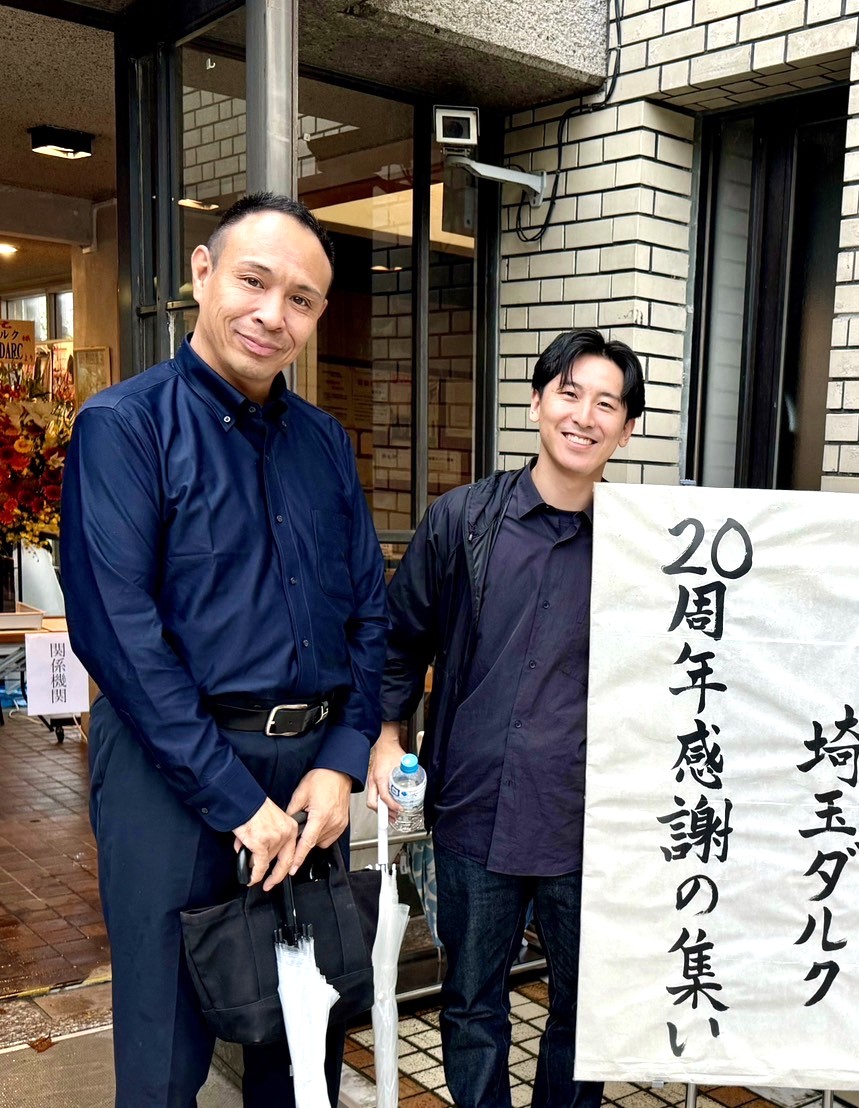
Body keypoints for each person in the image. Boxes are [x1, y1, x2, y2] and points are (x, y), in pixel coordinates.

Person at [62, 192, 387, 1107]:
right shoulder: (125, 427)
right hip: (169, 775)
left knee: (303, 1038)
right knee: (165, 1052)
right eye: (254, 281)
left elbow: (370, 615)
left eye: (301, 299)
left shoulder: (325, 443)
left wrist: (341, 761)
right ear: (202, 274)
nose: (272, 314)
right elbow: (119, 637)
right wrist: (238, 802)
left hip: (309, 779)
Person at [371, 328, 645, 1108]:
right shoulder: (462, 520)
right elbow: (400, 637)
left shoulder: (642, 544)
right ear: (535, 402)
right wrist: (386, 739)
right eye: (569, 393)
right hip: (475, 807)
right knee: (471, 1005)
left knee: (584, 1014)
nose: (584, 416)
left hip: (589, 820)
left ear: (627, 430)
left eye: (606, 405)